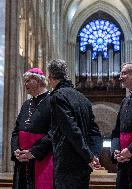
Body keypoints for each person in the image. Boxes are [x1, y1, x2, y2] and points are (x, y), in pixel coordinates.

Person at [47, 59, 102, 189]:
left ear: (50, 77)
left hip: (66, 163)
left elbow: (72, 130)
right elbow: (95, 132)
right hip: (83, 164)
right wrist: (93, 154)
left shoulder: (57, 96)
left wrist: (89, 156)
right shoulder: (83, 98)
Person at [11, 68, 53, 189]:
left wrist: (33, 152)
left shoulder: (52, 101)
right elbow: (16, 131)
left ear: (39, 81)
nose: (25, 84)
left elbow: (54, 132)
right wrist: (16, 150)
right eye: (25, 81)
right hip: (22, 161)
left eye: (28, 80)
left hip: (42, 159)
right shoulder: (26, 104)